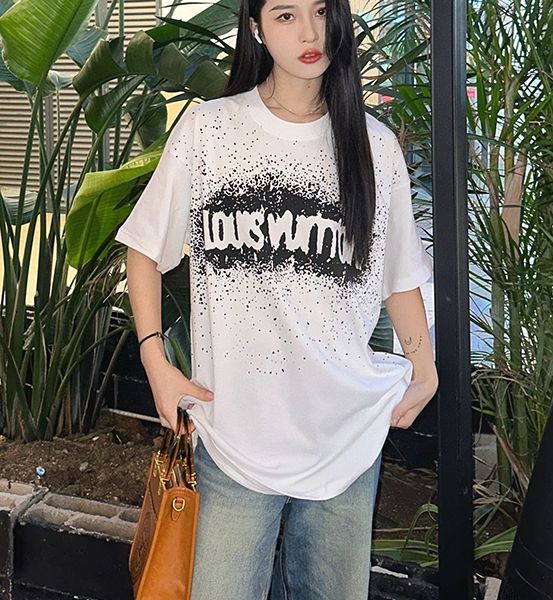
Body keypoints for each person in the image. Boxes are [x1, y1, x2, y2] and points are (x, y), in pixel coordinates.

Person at [114, 0, 438, 596]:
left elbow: (398, 276)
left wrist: (425, 365)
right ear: (256, 27)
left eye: (321, 11)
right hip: (233, 438)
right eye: (285, 15)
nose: (310, 32)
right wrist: (154, 360)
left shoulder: (374, 147)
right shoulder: (210, 131)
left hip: (345, 441)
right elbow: (144, 250)